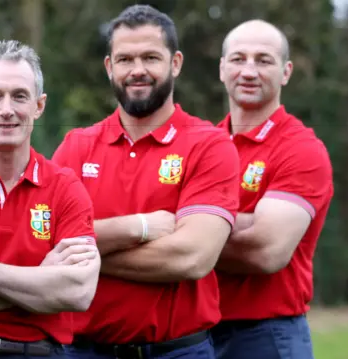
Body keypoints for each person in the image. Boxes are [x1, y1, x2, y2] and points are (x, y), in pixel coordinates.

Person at [52, 5, 240, 359]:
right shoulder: (76, 147)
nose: (137, 71)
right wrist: (137, 227)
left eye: (151, 57)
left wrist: (84, 253)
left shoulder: (209, 145)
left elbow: (191, 257)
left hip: (178, 352)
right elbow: (46, 242)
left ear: (176, 63)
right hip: (82, 352)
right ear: (110, 67)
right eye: (125, 59)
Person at [0, 39, 101, 358]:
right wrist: (41, 279)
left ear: (39, 105)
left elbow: (78, 291)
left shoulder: (65, 186)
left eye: (20, 96)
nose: (6, 110)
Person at [211, 19, 334, 359]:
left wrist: (190, 228)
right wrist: (243, 221)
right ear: (222, 69)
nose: (249, 71)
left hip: (265, 335)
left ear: (286, 72)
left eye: (263, 60)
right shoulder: (203, 145)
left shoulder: (301, 149)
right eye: (238, 59)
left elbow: (265, 251)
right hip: (198, 333)